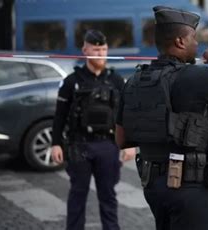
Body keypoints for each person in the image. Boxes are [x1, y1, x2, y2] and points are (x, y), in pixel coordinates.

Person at [115, 6, 208, 230]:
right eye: (194, 38)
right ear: (180, 41)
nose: (197, 44)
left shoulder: (134, 80)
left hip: (153, 186)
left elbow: (121, 140)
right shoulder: (192, 76)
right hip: (190, 187)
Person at [50, 29, 135, 230]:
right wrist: (55, 143)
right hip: (80, 145)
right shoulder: (72, 81)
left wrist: (129, 144)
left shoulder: (116, 80)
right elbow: (59, 115)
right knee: (78, 194)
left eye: (103, 49)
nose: (100, 54)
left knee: (108, 195)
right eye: (96, 50)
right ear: (85, 50)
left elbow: (125, 115)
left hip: (108, 145)